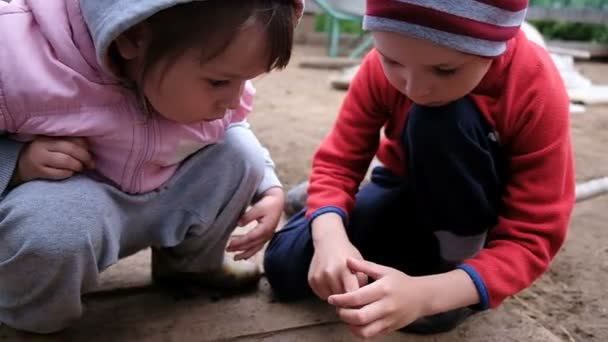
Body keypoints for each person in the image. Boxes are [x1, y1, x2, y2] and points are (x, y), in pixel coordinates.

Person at [264, 0, 575, 338]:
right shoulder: (383, 66)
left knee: (440, 120)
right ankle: (323, 202)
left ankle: (456, 257)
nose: (414, 89)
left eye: (445, 70)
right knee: (286, 267)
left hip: (470, 205)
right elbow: (339, 161)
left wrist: (430, 295)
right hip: (404, 183)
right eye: (392, 60)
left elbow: (532, 236)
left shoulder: (534, 86)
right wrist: (330, 238)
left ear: (495, 47)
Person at [0, 0, 303, 334]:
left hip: (158, 197)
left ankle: (190, 266)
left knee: (240, 152)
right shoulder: (15, 58)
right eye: (219, 82)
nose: (234, 99)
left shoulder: (204, 74)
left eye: (244, 81)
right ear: (132, 37)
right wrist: (17, 163)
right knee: (54, 228)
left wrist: (269, 185)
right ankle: (31, 320)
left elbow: (232, 124)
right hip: (75, 204)